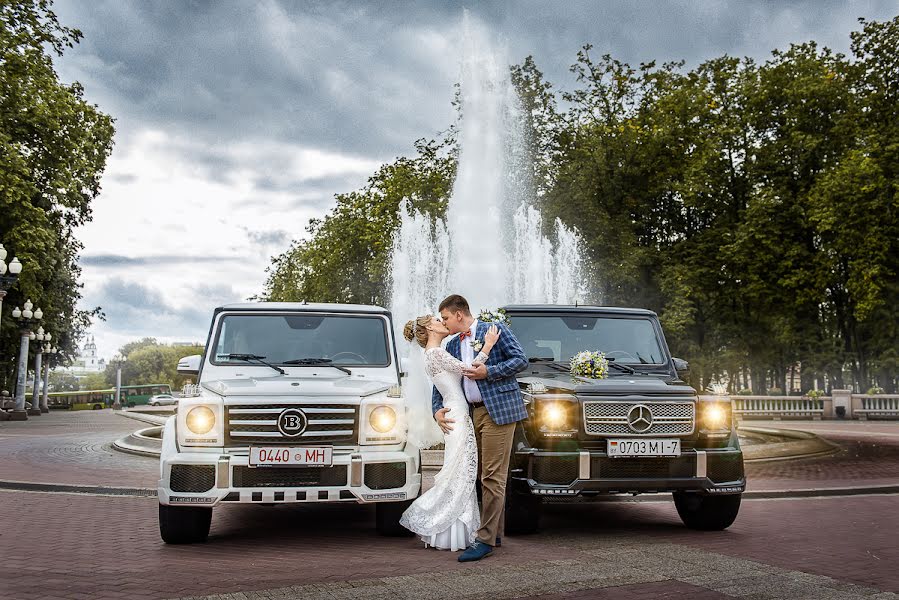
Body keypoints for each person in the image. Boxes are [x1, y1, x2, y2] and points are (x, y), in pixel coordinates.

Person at [434, 294, 528, 562]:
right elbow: (441, 382)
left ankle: (484, 540)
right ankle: (495, 533)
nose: (445, 323)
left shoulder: (494, 329)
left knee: (492, 477)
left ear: (459, 315)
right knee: (478, 475)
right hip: (470, 414)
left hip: (499, 412)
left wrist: (491, 372)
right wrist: (435, 410)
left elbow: (521, 361)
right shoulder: (452, 345)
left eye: (446, 318)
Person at [398, 313, 501, 551]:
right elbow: (470, 370)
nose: (442, 323)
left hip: (455, 413)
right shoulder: (436, 353)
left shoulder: (432, 354)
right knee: (461, 472)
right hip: (457, 416)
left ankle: (454, 532)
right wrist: (487, 345)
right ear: (429, 329)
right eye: (437, 321)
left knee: (460, 471)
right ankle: (450, 528)